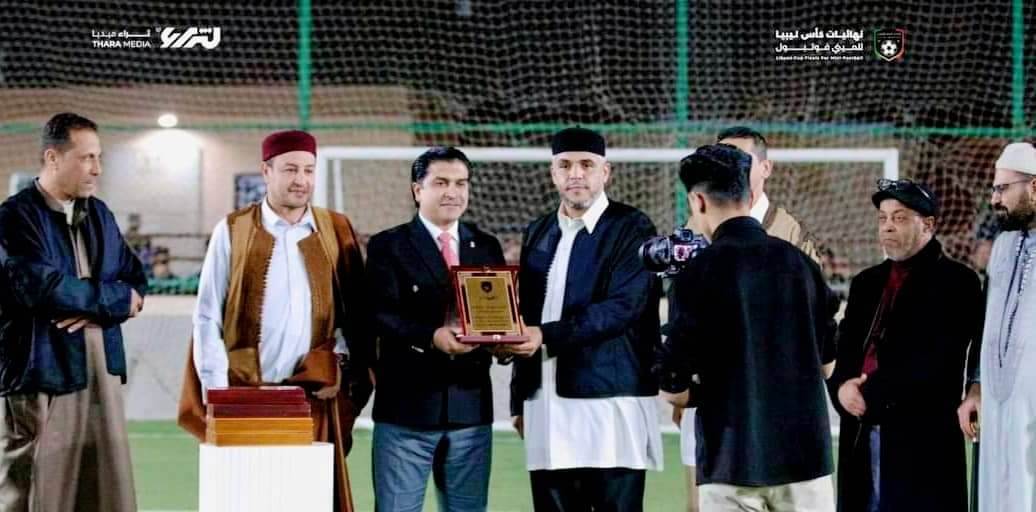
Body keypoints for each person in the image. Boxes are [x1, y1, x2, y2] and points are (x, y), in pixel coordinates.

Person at [178, 130, 372, 512]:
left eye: (308, 170)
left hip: (312, 399)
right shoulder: (232, 230)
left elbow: (355, 315)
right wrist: (218, 392)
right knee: (247, 499)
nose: (301, 179)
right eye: (290, 169)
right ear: (266, 171)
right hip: (245, 396)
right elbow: (207, 315)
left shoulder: (336, 230)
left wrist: (339, 366)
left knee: (308, 500)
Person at [660, 143, 838, 512]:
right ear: (750, 194)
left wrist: (703, 392)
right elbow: (829, 365)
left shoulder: (694, 275)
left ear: (698, 201)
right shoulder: (802, 265)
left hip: (730, 463)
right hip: (805, 460)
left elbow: (673, 389)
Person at [505, 127, 663, 512]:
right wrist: (519, 397)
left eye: (586, 164)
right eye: (565, 165)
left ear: (605, 172)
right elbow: (527, 312)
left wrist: (544, 335)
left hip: (612, 404)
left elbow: (623, 308)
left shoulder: (633, 226)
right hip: (545, 405)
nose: (575, 173)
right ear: (553, 173)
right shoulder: (538, 230)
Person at [0, 113, 147, 512]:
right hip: (41, 369)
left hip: (101, 369)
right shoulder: (14, 217)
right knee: (35, 489)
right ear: (52, 158)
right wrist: (113, 301)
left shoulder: (99, 214)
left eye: (98, 158)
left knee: (103, 489)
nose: (97, 169)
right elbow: (42, 288)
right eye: (86, 158)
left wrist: (100, 307)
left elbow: (137, 281)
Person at [365, 147, 504, 512]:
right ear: (417, 190)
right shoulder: (388, 245)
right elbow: (378, 315)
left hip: (471, 412)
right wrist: (431, 336)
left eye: (461, 183)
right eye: (441, 182)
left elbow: (497, 316)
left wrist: (503, 343)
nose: (452, 192)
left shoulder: (486, 246)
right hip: (406, 412)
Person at [829, 178, 981, 512]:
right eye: (882, 218)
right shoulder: (866, 282)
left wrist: (867, 394)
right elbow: (846, 350)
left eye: (899, 218)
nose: (887, 227)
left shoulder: (958, 283)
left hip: (923, 442)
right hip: (862, 434)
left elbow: (934, 359)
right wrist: (841, 389)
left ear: (928, 224)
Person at [958, 141, 1036, 512]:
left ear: (1033, 186)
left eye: (1003, 188)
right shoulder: (1002, 247)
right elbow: (984, 328)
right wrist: (975, 387)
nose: (994, 199)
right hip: (997, 407)